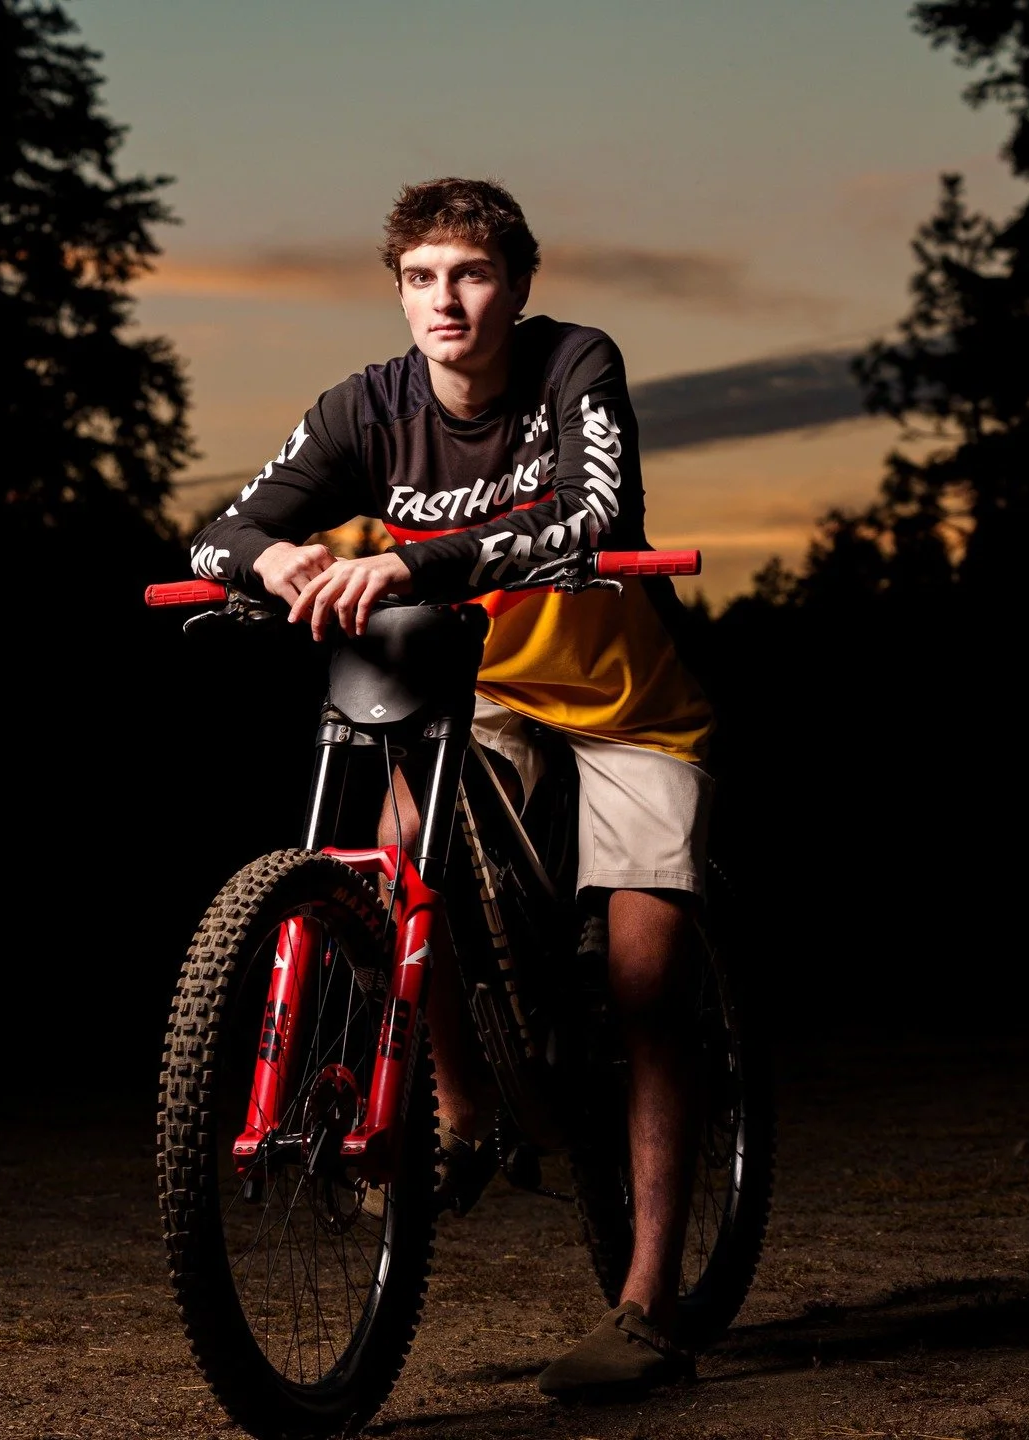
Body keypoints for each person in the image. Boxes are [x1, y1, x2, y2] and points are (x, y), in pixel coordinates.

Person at [187, 176, 714, 1402]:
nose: (445, 300)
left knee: (643, 981)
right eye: (421, 278)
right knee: (398, 842)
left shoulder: (575, 363)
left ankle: (647, 1309)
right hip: (492, 693)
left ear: (517, 285)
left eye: (470, 275)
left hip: (632, 705)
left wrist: (408, 559)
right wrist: (279, 557)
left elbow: (599, 512)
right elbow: (220, 531)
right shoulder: (364, 408)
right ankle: (461, 1110)